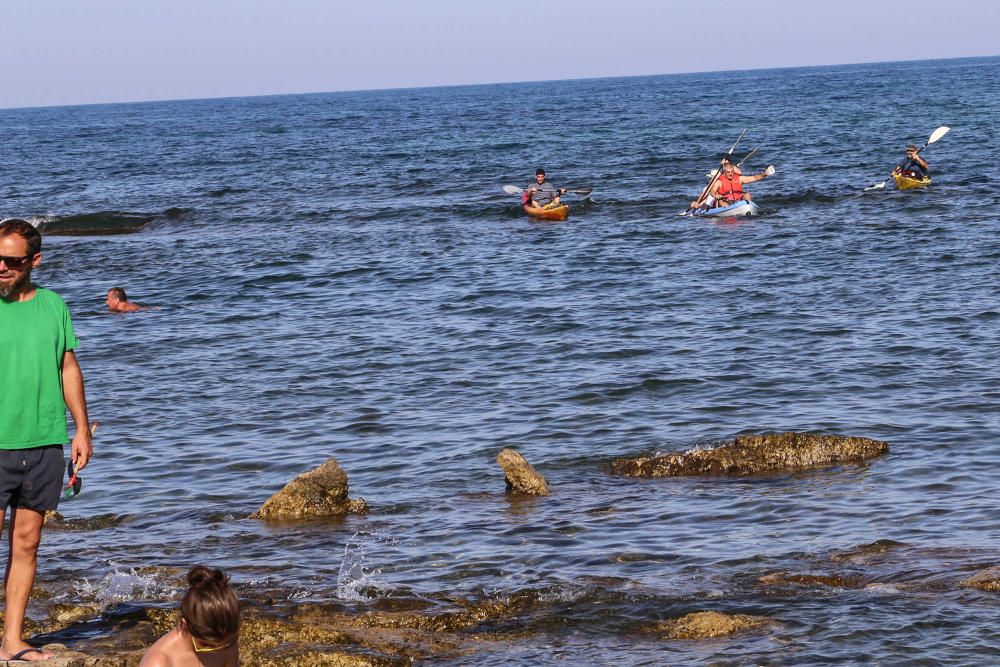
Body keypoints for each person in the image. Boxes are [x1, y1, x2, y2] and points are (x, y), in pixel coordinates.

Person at [0, 219, 93, 663]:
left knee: (27, 544)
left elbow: (67, 368)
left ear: (34, 261)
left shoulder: (54, 306)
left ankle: (12, 640)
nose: (1, 267)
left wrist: (83, 429)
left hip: (44, 444)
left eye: (11, 261)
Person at [140, 565, 240, 667]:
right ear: (185, 625)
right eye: (206, 645)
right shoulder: (158, 662)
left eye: (227, 642)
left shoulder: (225, 640)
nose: (218, 649)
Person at [697, 160, 775, 209]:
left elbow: (754, 178)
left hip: (738, 200)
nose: (730, 174)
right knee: (721, 201)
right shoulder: (719, 182)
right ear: (724, 172)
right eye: (728, 172)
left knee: (747, 194)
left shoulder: (739, 178)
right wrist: (716, 195)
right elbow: (712, 191)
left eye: (732, 172)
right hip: (726, 201)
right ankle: (729, 211)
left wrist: (765, 174)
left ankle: (748, 208)